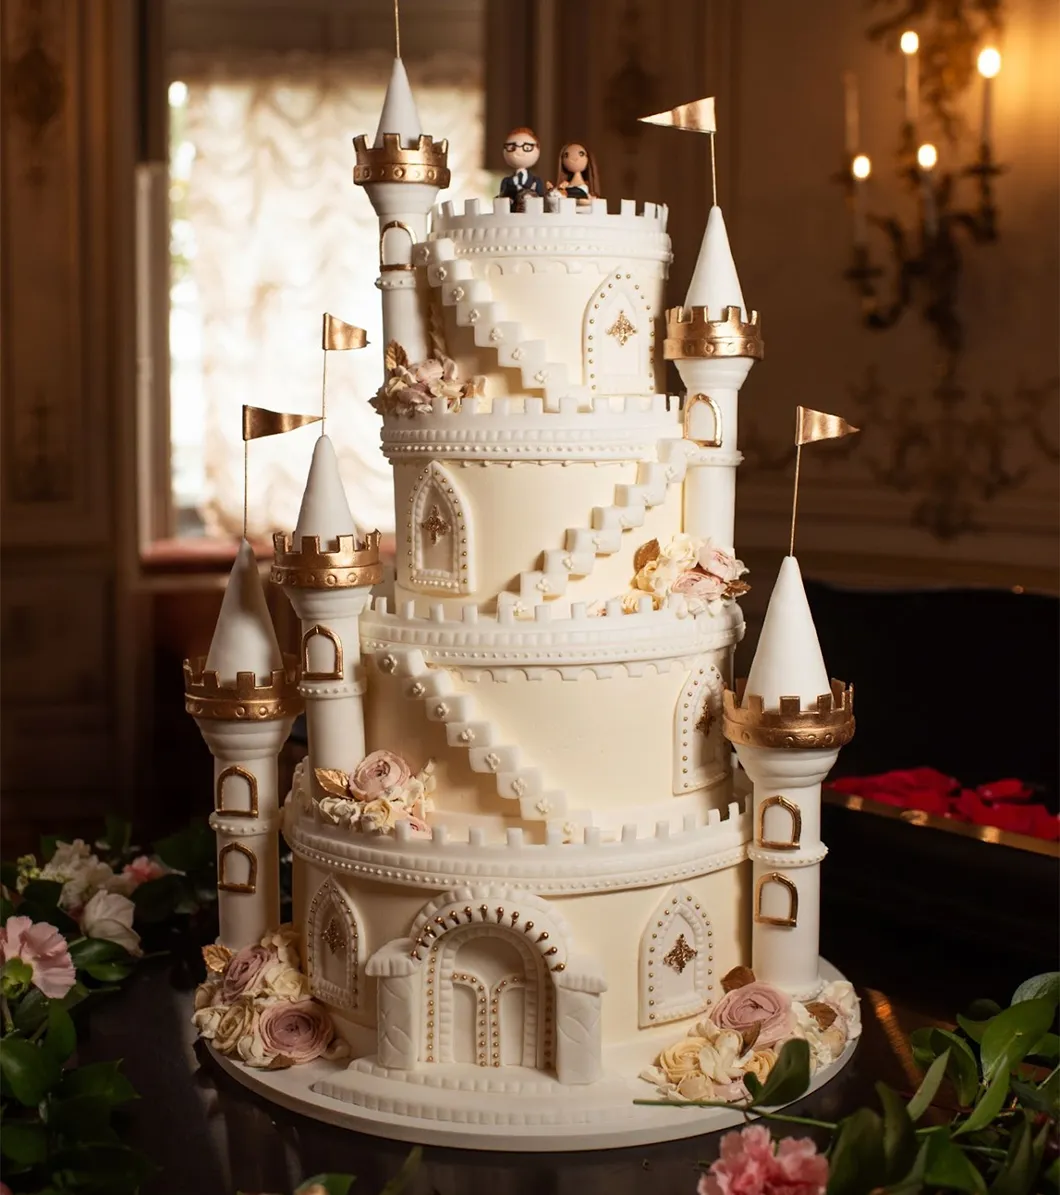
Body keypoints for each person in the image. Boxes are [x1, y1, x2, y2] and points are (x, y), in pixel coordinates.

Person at [498, 128, 547, 211]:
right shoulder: (506, 181)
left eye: (527, 147)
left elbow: (541, 201)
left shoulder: (536, 181)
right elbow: (501, 201)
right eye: (512, 147)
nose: (519, 152)